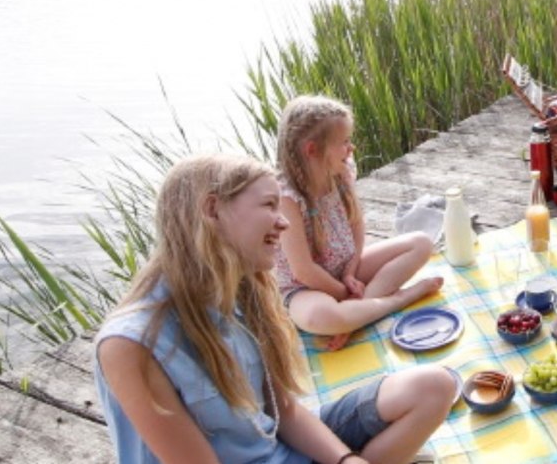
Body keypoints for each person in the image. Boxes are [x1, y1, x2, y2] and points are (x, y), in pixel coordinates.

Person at [93, 154, 454, 464]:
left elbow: (285, 410)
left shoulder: (240, 287)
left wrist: (346, 460)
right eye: (269, 206)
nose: (283, 222)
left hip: (281, 449)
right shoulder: (131, 345)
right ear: (212, 209)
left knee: (435, 386)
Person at [274, 95, 443, 351]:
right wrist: (343, 293)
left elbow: (356, 224)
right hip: (305, 289)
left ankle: (354, 318)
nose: (350, 148)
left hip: (347, 271)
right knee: (319, 318)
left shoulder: (341, 171)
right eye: (343, 143)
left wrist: (351, 271)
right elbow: (303, 270)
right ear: (312, 150)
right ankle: (400, 298)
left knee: (421, 243)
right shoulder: (286, 197)